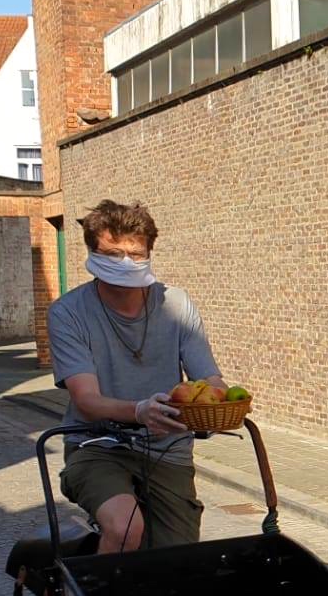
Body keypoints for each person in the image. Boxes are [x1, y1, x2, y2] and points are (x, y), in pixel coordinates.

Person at [47, 200, 225, 553]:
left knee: (180, 561)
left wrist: (213, 406)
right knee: (126, 526)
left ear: (149, 252)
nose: (125, 263)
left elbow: (211, 380)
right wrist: (140, 411)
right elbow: (87, 400)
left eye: (135, 253)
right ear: (92, 253)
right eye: (113, 254)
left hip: (166, 449)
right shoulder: (68, 312)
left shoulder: (176, 305)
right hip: (97, 444)